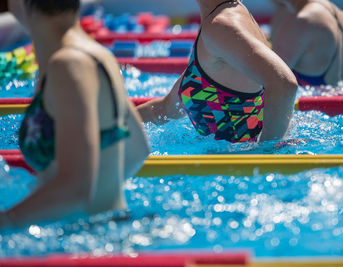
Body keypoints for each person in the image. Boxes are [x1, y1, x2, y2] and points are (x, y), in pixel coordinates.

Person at [0, 0, 150, 228]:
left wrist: (6, 221)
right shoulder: (97, 55)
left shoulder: (69, 65)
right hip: (105, 231)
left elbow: (76, 188)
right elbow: (137, 151)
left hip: (86, 244)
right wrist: (103, 197)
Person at [138, 0, 298, 143]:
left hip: (237, 172)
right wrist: (120, 119)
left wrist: (265, 154)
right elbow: (166, 108)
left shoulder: (221, 25)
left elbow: (284, 84)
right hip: (231, 167)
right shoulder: (221, 20)